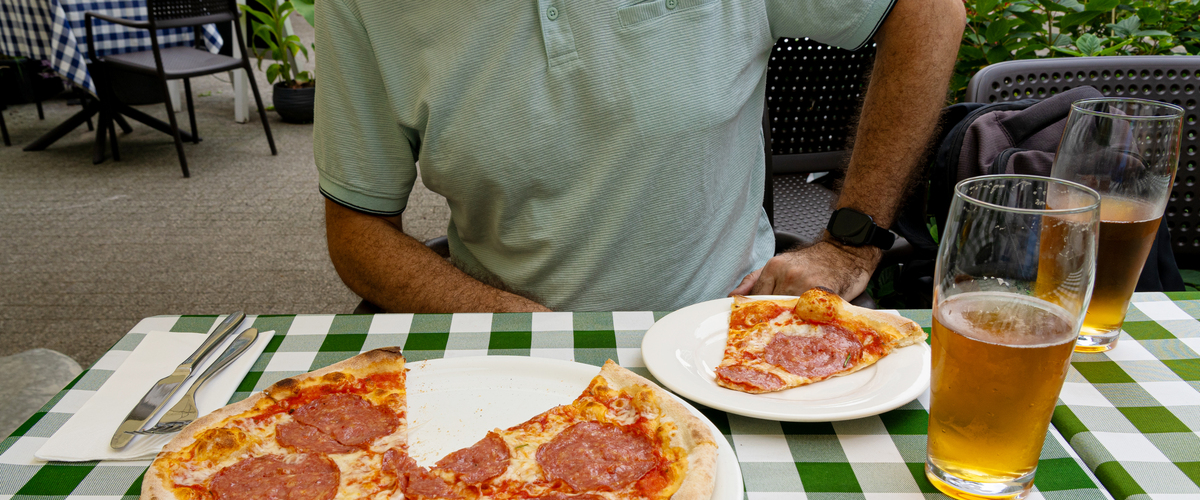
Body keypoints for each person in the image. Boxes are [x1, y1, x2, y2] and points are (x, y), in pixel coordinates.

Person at [316, 0, 966, 313]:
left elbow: (930, 10)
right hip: (508, 350)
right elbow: (357, 229)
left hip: (727, 330)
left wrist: (851, 244)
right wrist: (510, 322)